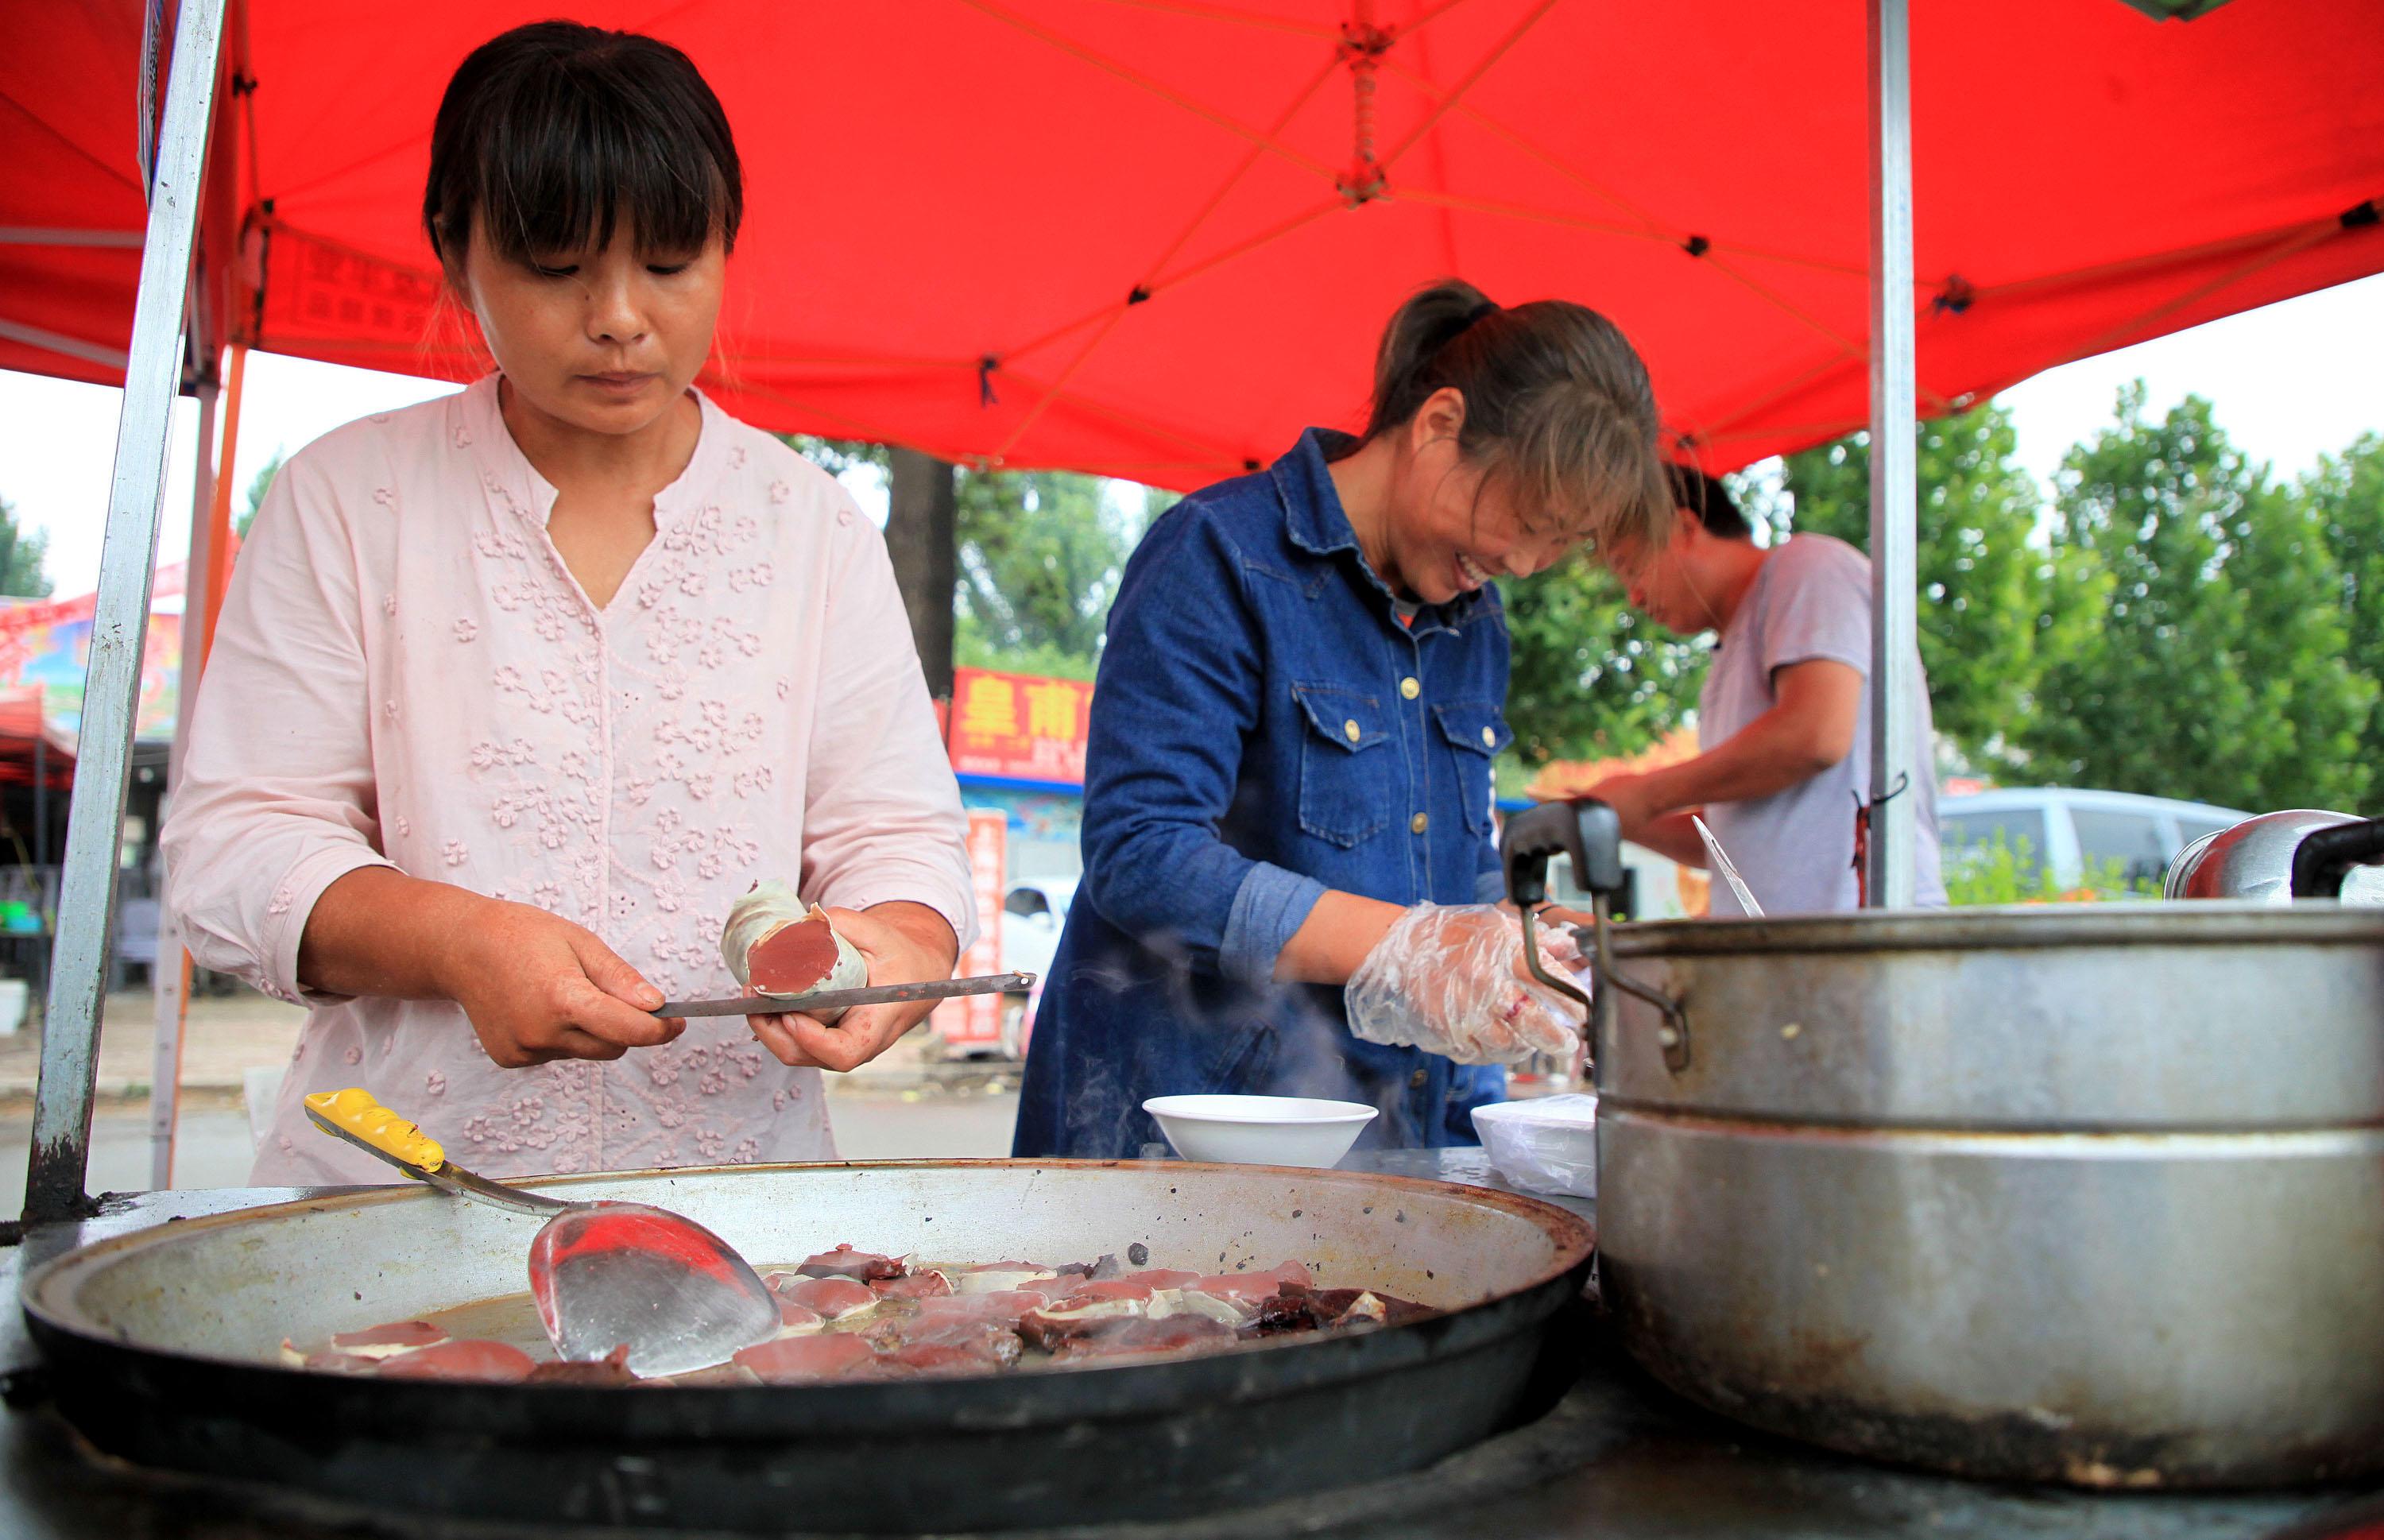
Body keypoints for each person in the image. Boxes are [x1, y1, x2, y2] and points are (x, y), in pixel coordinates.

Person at [162, 21, 973, 1184]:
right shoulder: (351, 499)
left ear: (727, 249)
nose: (619, 316)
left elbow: (895, 831)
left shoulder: (812, 526)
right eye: (556, 268)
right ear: (455, 253)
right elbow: (232, 843)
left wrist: (896, 943)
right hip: (400, 1197)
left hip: (735, 1203)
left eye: (671, 261)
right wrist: (459, 941)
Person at [1012, 280, 1670, 1160]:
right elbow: (1142, 853)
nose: (1520, 560)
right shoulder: (1218, 554)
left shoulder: (1474, 623)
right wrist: (1408, 944)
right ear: (1439, 425)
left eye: (1559, 543)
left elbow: (1456, 881)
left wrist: (1509, 960)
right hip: (1187, 1136)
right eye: (1525, 518)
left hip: (1393, 1138)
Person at [1585, 466, 1945, 915]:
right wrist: (1618, 819)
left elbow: (1815, 736)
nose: (1634, 597)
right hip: (1786, 949)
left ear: (1684, 527)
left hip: (1865, 935)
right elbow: (1735, 837)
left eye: (1630, 568)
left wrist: (1646, 793)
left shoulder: (1808, 567)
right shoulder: (1727, 658)